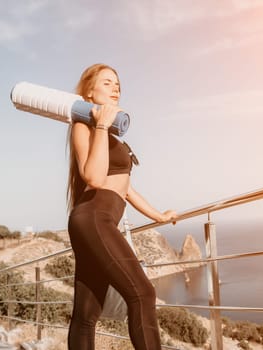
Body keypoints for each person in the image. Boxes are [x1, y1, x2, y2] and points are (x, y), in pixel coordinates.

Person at [66, 63, 177, 350]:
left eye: (117, 84)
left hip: (98, 220)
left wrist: (158, 215)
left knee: (87, 314)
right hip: (93, 217)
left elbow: (125, 188)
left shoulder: (111, 136)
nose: (116, 88)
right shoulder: (84, 126)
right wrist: (101, 124)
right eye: (107, 83)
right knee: (143, 293)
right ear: (89, 92)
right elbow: (93, 176)